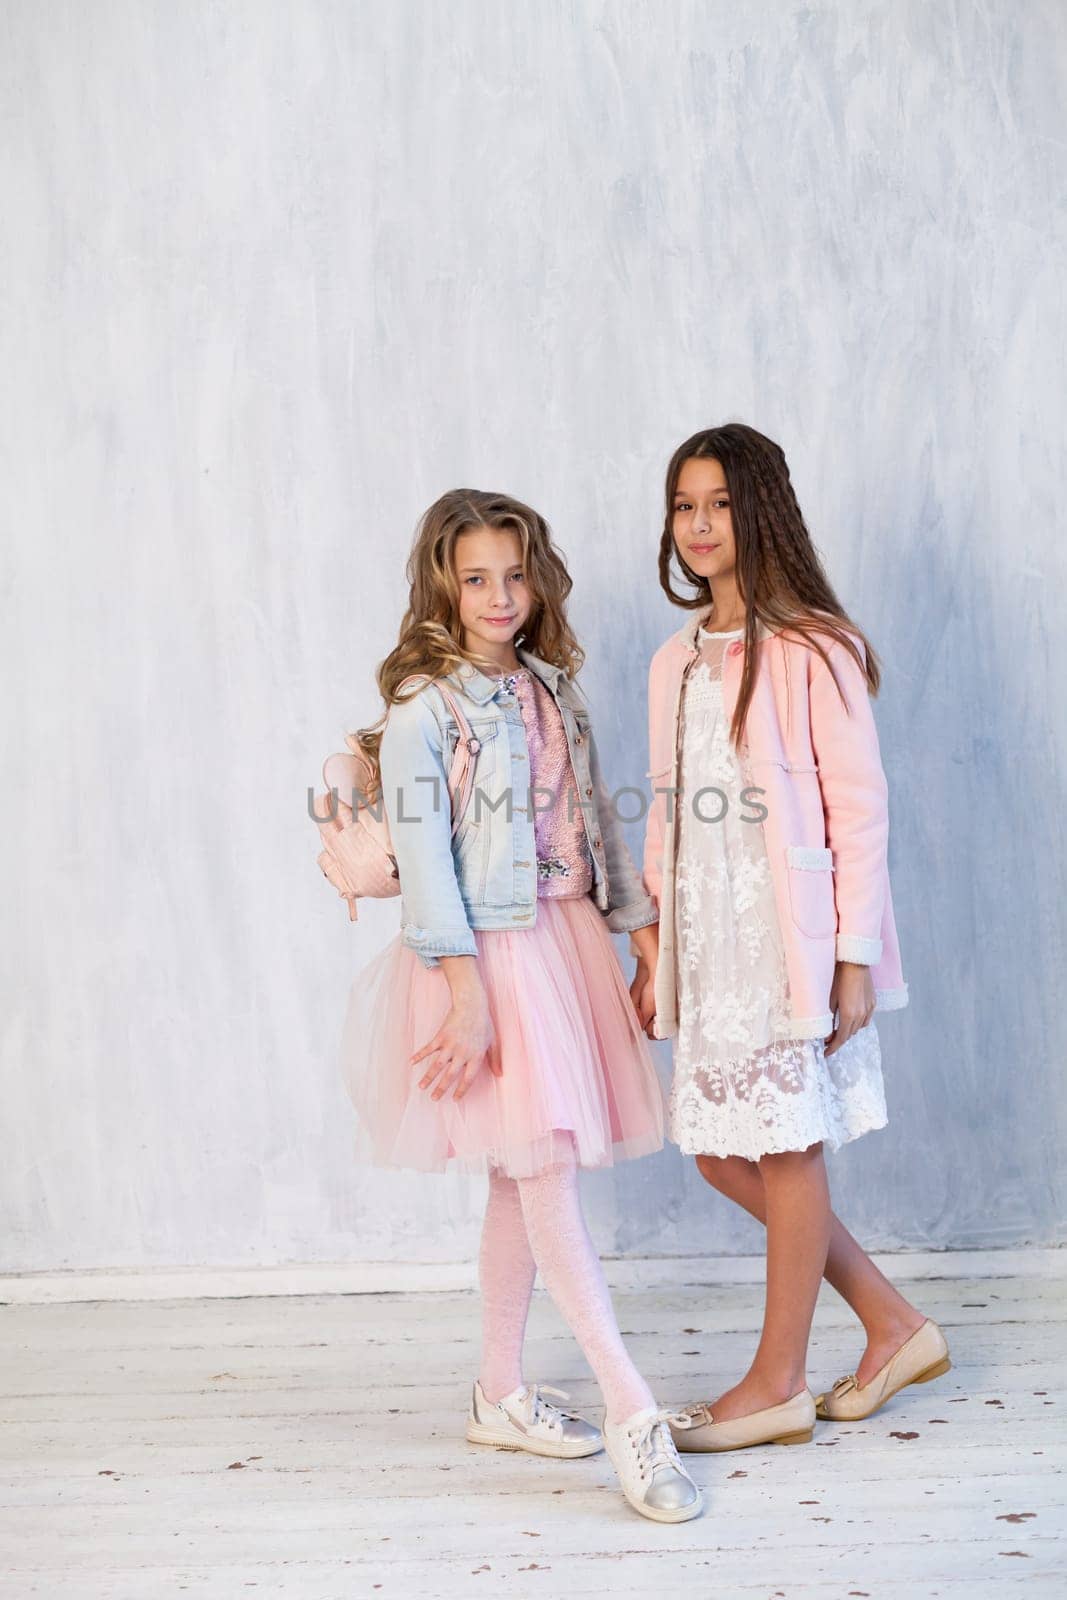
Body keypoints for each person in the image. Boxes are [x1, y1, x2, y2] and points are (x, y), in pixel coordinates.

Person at [338, 488, 702, 1521]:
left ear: (537, 578)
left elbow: (594, 822)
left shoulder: (553, 688)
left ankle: (497, 1389)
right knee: (541, 1171)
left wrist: (638, 935)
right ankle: (631, 1408)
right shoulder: (426, 709)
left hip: (565, 938)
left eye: (515, 573)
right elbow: (426, 866)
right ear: (442, 590)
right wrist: (466, 998)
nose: (500, 596)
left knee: (520, 1172)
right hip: (488, 959)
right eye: (475, 578)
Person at [630, 424, 950, 1452]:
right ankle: (892, 1323)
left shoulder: (812, 646)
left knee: (785, 1144)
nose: (700, 524)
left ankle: (776, 1378)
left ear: (759, 509)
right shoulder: (670, 660)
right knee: (723, 1155)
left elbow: (858, 809)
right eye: (684, 505)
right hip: (706, 949)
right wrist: (648, 948)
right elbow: (662, 817)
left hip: (786, 944)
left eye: (720, 502)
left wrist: (854, 956)